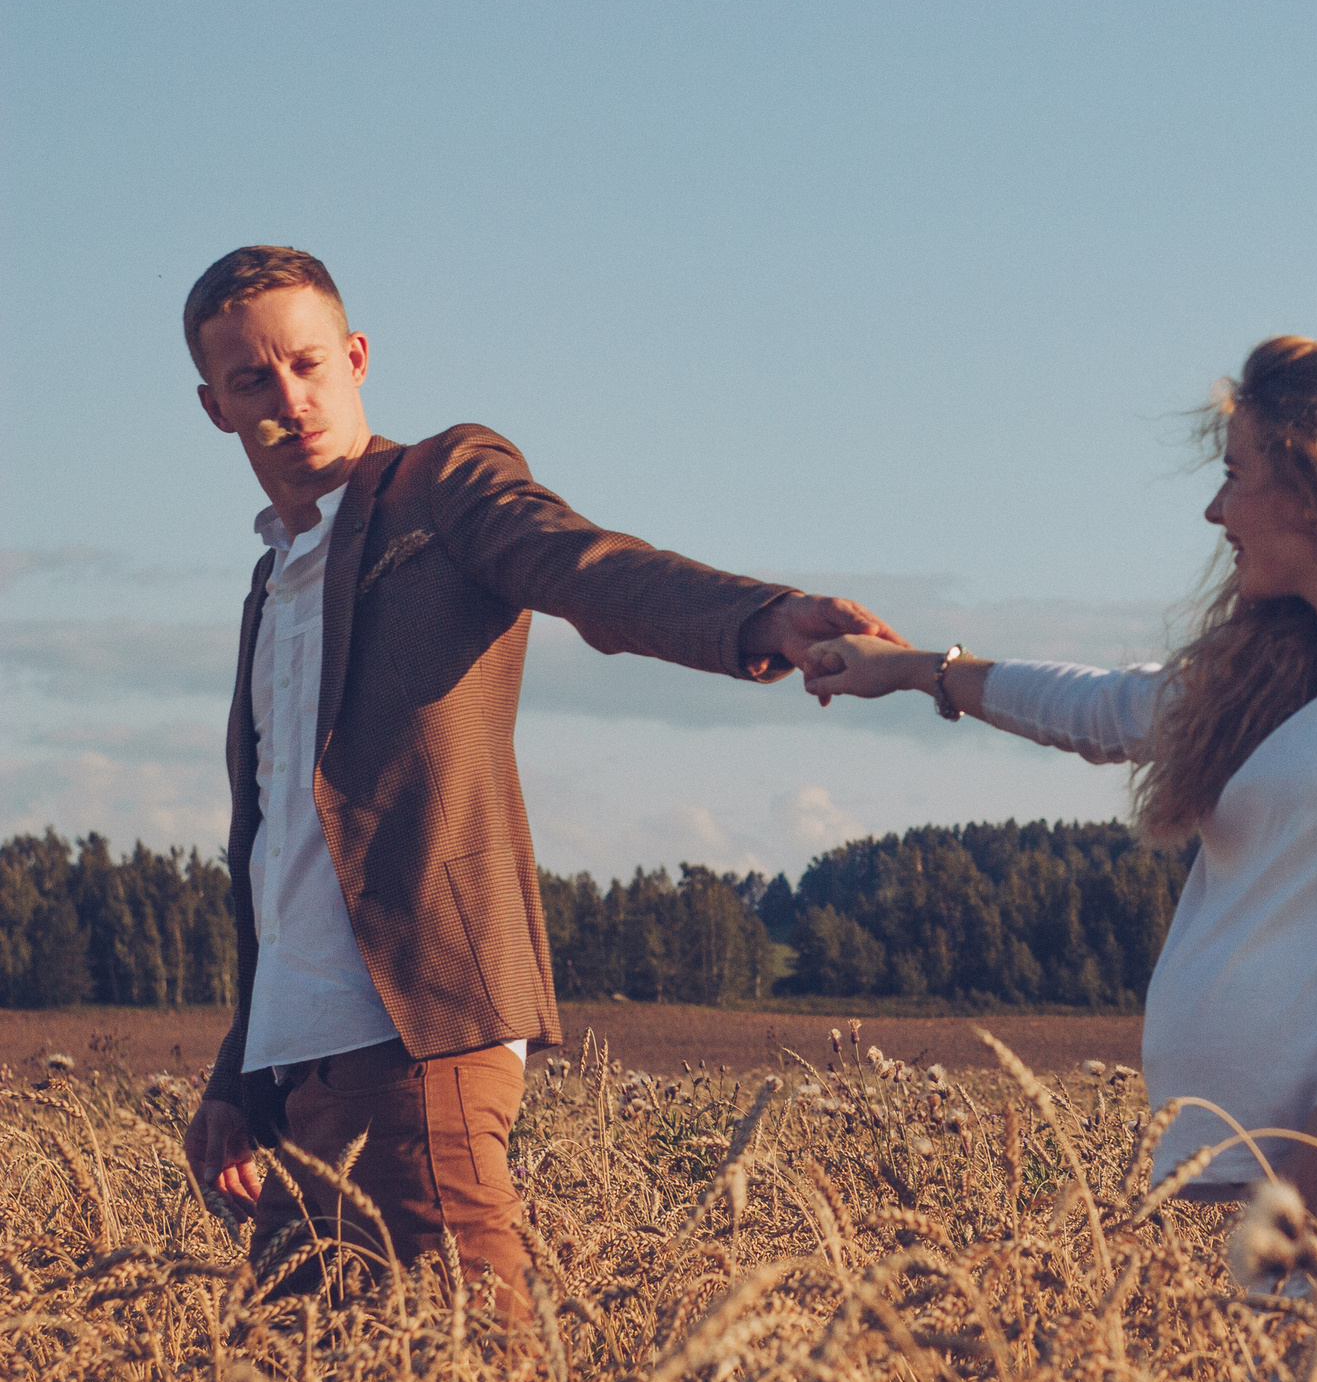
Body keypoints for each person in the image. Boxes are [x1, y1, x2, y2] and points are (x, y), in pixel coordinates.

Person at [176, 246, 900, 1313]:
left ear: (357, 356)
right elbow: (279, 847)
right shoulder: (270, 580)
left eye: (308, 362)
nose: (290, 397)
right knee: (290, 1363)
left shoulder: (442, 487)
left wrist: (759, 616)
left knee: (479, 1353)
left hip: (422, 1038)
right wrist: (240, 1074)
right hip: (298, 1077)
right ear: (215, 407)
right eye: (252, 380)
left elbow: (584, 565)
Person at [803, 335, 1317, 1330]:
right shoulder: (1286, 670)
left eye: (1235, 475)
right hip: (1305, 1179)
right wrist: (912, 669)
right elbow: (1108, 709)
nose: (1214, 510)